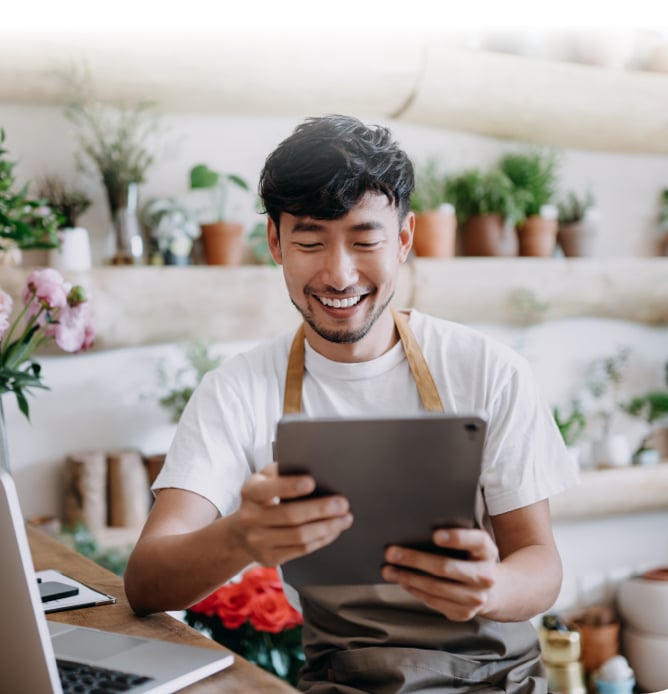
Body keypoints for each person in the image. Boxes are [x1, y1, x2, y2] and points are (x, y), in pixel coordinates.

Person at [124, 114, 579, 693]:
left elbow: (541, 563)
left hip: (496, 679)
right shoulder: (236, 390)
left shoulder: (488, 370)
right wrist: (242, 537)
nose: (339, 275)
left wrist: (493, 587)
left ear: (405, 240)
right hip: (344, 682)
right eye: (310, 242)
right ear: (274, 242)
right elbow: (144, 582)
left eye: (366, 241)